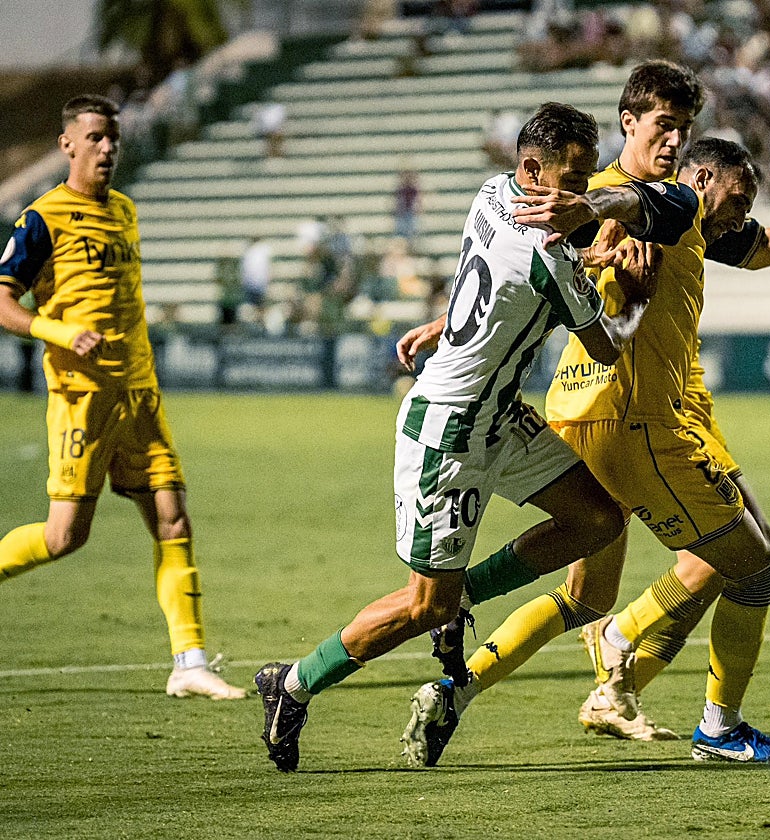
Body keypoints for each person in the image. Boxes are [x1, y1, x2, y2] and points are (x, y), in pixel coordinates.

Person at [398, 60, 770, 764]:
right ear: (629, 121)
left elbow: (746, 243)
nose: (675, 138)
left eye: (684, 127)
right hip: (631, 420)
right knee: (753, 566)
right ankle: (717, 727)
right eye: (665, 124)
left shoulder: (661, 204)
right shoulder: (593, 192)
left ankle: (456, 686)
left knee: (583, 599)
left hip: (583, 415)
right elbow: (554, 246)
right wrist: (454, 315)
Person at [253, 101, 699, 773]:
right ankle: (290, 684)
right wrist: (632, 290)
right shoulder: (550, 253)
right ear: (531, 168)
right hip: (450, 430)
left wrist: (446, 323)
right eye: (573, 180)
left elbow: (497, 274)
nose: (581, 196)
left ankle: (463, 600)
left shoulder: (492, 194)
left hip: (499, 414)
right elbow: (606, 346)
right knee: (422, 606)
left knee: (597, 519)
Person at [0, 94, 245, 701]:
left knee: (173, 518)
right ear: (68, 144)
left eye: (114, 138)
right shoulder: (42, 218)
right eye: (96, 138)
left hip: (140, 395)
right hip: (82, 398)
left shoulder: (126, 211)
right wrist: (57, 332)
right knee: (64, 538)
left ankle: (188, 662)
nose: (108, 148)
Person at [239, 236, 272, 326]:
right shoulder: (262, 250)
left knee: (256, 306)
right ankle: (259, 323)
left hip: (253, 283)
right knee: (259, 306)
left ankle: (257, 323)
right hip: (259, 283)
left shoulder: (250, 252)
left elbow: (244, 270)